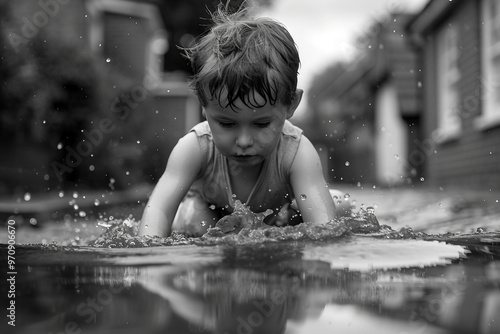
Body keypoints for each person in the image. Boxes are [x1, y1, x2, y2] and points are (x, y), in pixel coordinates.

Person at [139, 6, 349, 237]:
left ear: (290, 105)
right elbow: (158, 209)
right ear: (203, 105)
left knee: (340, 206)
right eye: (227, 124)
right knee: (189, 222)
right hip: (210, 218)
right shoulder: (195, 147)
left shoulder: (296, 152)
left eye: (261, 124)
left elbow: (323, 232)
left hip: (281, 215)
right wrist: (149, 260)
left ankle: (289, 220)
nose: (244, 141)